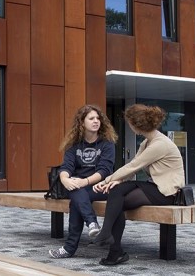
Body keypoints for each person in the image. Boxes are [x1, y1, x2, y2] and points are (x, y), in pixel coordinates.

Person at [91, 104, 185, 266]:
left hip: (168, 193)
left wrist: (106, 181)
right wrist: (117, 180)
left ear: (137, 124)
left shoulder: (159, 144)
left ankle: (111, 244)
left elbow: (133, 166)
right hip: (155, 187)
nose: (129, 125)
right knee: (117, 193)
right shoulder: (148, 142)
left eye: (129, 122)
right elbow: (133, 165)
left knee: (116, 200)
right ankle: (113, 248)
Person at [48, 104, 117, 259]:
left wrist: (83, 182)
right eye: (91, 118)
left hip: (100, 186)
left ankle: (69, 248)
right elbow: (67, 166)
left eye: (98, 118)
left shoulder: (107, 143)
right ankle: (92, 224)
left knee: (76, 197)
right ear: (82, 122)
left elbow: (104, 170)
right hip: (78, 186)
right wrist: (65, 179)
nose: (96, 121)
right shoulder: (74, 144)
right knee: (77, 194)